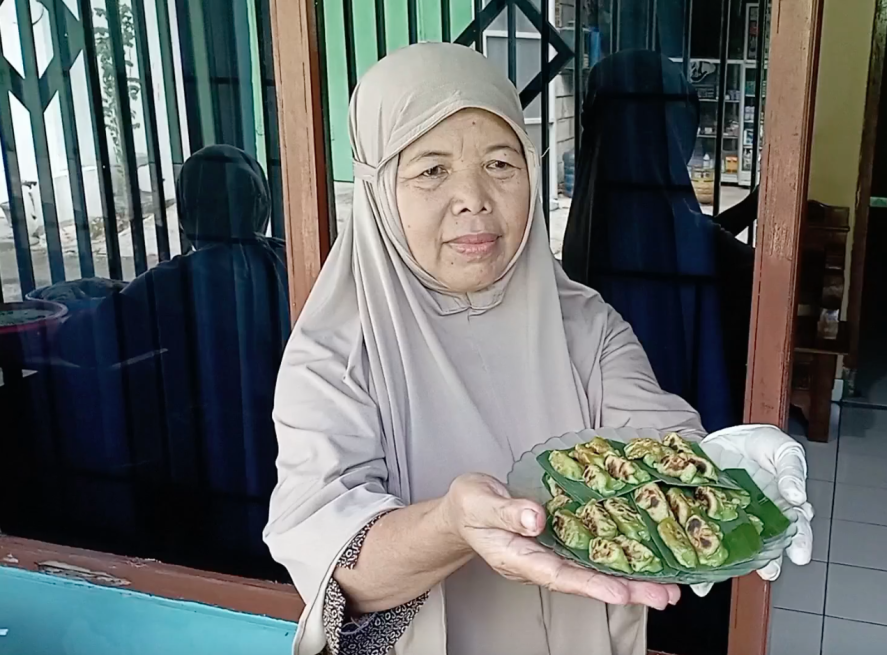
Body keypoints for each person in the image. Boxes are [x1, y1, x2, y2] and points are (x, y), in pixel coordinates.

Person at [263, 43, 811, 655]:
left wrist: (720, 465)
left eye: (501, 164)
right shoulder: (334, 359)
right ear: (377, 188)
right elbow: (335, 560)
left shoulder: (586, 324)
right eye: (431, 170)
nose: (474, 197)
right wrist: (452, 527)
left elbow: (653, 440)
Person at [46, 144, 290, 575]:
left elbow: (84, 340)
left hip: (222, 462)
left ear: (188, 213)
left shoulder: (178, 280)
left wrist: (80, 303)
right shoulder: (288, 257)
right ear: (261, 205)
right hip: (288, 446)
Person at [561, 50, 758, 432]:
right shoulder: (655, 204)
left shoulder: (595, 204)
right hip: (659, 394)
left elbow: (694, 238)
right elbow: (706, 250)